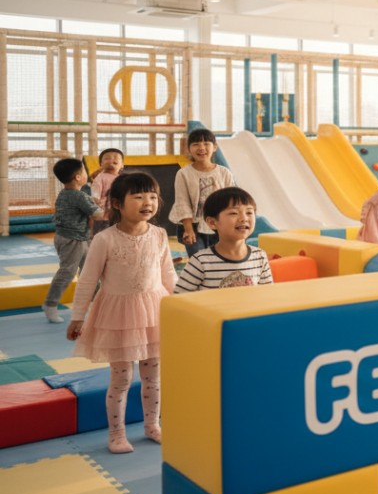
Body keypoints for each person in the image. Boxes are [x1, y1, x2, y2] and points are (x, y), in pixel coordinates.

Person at [66, 172, 176, 454]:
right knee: (122, 378)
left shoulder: (160, 234)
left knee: (154, 377)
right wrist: (78, 317)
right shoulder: (105, 239)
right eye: (138, 196)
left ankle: (152, 425)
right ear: (116, 203)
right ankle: (116, 433)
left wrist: (181, 308)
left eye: (152, 197)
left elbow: (169, 276)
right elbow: (88, 280)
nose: (147, 202)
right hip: (119, 315)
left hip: (155, 311)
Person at [175, 187, 274, 291]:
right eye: (234, 213)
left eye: (249, 212)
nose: (244, 218)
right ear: (212, 223)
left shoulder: (259, 257)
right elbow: (179, 300)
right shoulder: (200, 262)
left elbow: (267, 295)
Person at [44, 158, 104, 323]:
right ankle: (50, 304)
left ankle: (98, 304)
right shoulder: (78, 196)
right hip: (73, 240)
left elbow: (86, 194)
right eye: (84, 171)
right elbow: (99, 215)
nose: (86, 174)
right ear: (78, 177)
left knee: (91, 271)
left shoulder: (67, 193)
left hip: (74, 238)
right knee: (67, 272)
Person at [170, 128, 235, 259]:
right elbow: (182, 202)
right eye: (196, 144)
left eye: (206, 144)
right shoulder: (183, 174)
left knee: (220, 260)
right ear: (189, 149)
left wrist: (230, 227)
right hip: (193, 226)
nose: (201, 148)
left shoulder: (224, 173)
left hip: (219, 226)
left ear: (214, 147)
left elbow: (231, 202)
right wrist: (188, 229)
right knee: (199, 261)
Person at [90, 147, 124, 236]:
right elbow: (94, 196)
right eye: (107, 158)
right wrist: (96, 213)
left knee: (117, 237)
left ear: (122, 165)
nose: (111, 159)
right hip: (103, 217)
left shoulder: (122, 179)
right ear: (101, 164)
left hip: (119, 215)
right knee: (102, 237)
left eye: (116, 157)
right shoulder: (100, 178)